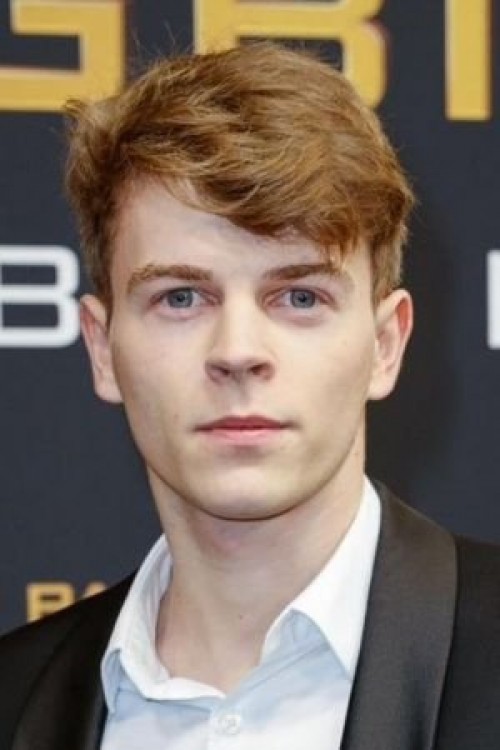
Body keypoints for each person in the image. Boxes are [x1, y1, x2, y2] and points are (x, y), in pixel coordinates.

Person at [1, 42, 500, 750]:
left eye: (299, 297)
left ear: (385, 345)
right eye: (181, 297)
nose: (237, 351)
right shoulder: (13, 697)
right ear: (102, 349)